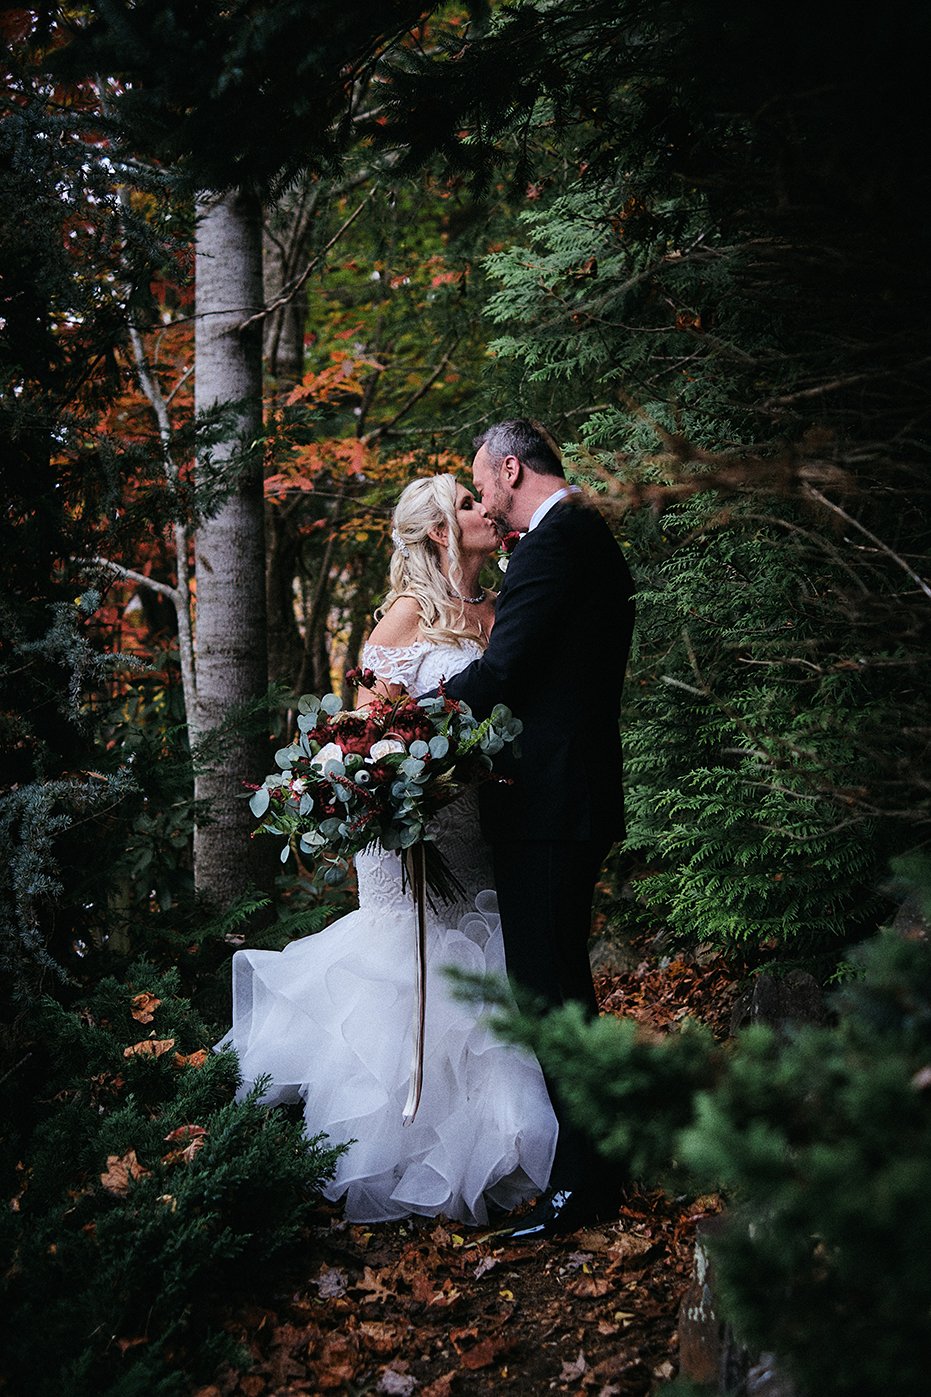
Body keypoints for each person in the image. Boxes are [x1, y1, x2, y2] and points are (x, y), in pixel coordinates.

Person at [217, 473, 558, 1226]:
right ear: (440, 530)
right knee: (404, 957)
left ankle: (488, 1151)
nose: (484, 511)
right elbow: (361, 736)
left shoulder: (500, 614)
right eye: (468, 505)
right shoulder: (403, 616)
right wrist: (402, 784)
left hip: (472, 824)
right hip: (406, 828)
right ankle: (394, 1144)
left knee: (475, 952)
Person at [440, 419, 635, 1239]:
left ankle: (583, 1184)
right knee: (558, 984)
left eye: (483, 483)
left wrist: (409, 719)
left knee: (550, 991)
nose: (482, 500)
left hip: (553, 805)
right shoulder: (577, 534)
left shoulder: (558, 543)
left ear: (511, 468)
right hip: (560, 796)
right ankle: (599, 1161)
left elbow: (504, 671)